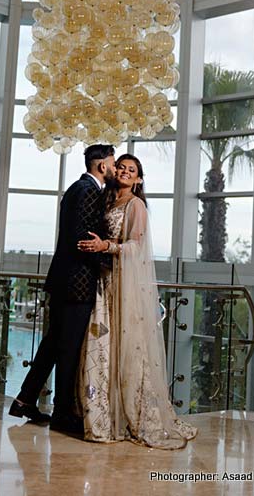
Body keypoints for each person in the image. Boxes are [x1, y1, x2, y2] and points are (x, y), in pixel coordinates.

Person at [77, 154, 198, 449]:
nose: (126, 172)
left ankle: (131, 413)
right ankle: (98, 416)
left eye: (132, 170)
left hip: (123, 284)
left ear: (139, 179)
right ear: (114, 170)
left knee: (126, 346)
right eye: (122, 167)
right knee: (100, 344)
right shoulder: (105, 202)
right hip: (102, 282)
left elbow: (136, 246)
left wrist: (106, 246)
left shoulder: (136, 205)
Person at [9, 144, 116, 432]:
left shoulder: (76, 189)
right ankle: (63, 414)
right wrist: (111, 258)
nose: (115, 168)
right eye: (113, 162)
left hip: (64, 280)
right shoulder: (88, 191)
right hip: (76, 283)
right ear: (102, 166)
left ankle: (24, 400)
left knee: (53, 345)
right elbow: (82, 240)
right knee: (68, 349)